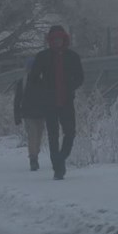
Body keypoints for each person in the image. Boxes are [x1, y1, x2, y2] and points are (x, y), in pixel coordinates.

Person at [27, 25, 84, 180]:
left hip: (66, 100)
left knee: (70, 132)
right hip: (49, 101)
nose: (57, 42)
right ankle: (57, 167)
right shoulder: (43, 57)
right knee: (53, 135)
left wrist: (69, 87)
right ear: (50, 41)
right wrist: (44, 89)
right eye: (54, 39)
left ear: (64, 39)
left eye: (60, 39)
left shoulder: (72, 57)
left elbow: (80, 77)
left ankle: (61, 158)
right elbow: (33, 78)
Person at [13, 58, 46, 171]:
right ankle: (33, 159)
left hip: (41, 114)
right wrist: (17, 115)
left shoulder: (44, 81)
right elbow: (17, 99)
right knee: (33, 136)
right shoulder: (23, 82)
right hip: (28, 114)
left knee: (38, 137)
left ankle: (34, 155)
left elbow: (49, 97)